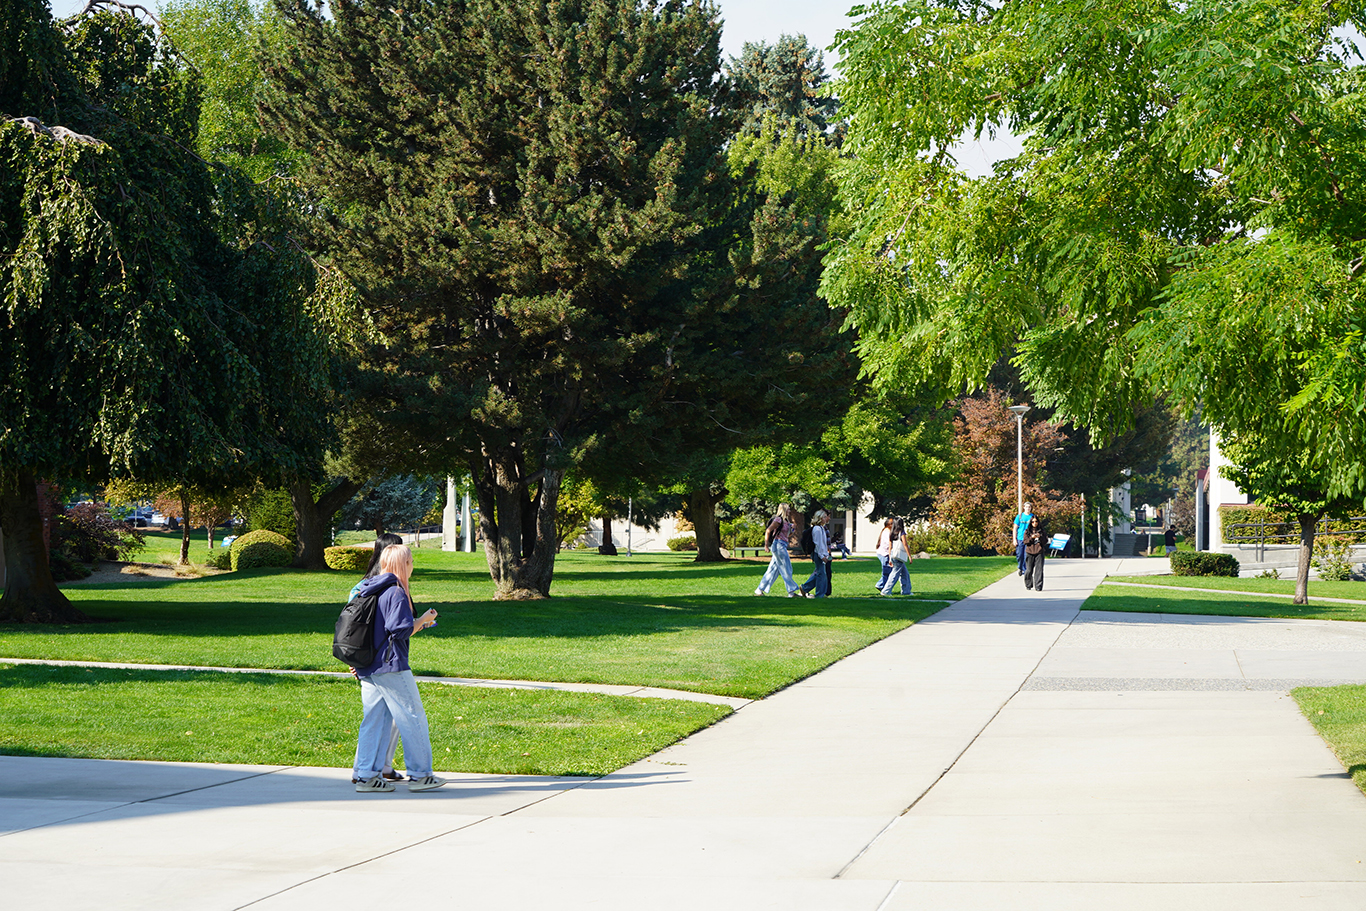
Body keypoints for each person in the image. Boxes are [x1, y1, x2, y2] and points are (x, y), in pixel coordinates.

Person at [351, 544, 446, 792]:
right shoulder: (395, 592)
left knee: (373, 720)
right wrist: (423, 620)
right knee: (413, 717)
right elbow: (400, 630)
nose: (412, 565)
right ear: (402, 564)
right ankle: (421, 775)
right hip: (391, 665)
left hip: (368, 665)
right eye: (410, 560)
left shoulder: (368, 589)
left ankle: (366, 776)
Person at [349, 534, 405, 782]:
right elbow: (356, 626)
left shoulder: (361, 586)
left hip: (366, 659)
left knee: (376, 716)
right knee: (383, 717)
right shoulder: (389, 588)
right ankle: (374, 767)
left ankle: (368, 769)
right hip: (380, 662)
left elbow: (349, 628)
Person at [755, 503, 801, 597]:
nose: (789, 511)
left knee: (773, 569)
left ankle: (759, 590)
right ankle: (791, 591)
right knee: (786, 567)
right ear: (783, 510)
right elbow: (768, 530)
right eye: (788, 509)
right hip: (778, 545)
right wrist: (766, 545)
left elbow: (787, 536)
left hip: (782, 544)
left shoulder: (786, 521)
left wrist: (792, 530)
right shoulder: (778, 520)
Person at [798, 509, 831, 598]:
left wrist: (826, 554)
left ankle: (805, 588)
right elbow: (818, 544)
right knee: (821, 574)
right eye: (824, 517)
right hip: (818, 554)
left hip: (821, 554)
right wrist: (822, 556)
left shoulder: (822, 528)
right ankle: (820, 594)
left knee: (819, 573)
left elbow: (823, 544)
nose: (826, 518)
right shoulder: (817, 529)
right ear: (819, 518)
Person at [879, 518, 912, 596]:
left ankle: (906, 591)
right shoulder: (901, 533)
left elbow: (890, 546)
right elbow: (905, 545)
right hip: (899, 556)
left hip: (893, 554)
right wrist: (909, 556)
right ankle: (885, 591)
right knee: (894, 574)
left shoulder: (891, 533)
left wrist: (890, 558)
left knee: (905, 574)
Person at [1023, 515, 1046, 591]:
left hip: (1039, 552)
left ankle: (1038, 586)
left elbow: (1045, 541)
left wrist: (1040, 537)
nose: (1034, 523)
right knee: (1029, 570)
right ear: (1031, 522)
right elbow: (1025, 541)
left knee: (1039, 570)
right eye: (1033, 522)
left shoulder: (1042, 531)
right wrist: (1031, 538)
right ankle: (1028, 584)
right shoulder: (1027, 531)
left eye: (1036, 521)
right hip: (1030, 552)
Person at [874, 517, 894, 593]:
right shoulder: (887, 532)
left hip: (884, 553)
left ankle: (882, 585)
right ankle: (882, 586)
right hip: (884, 554)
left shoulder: (886, 531)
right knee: (886, 572)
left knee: (889, 571)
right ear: (889, 524)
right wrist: (890, 556)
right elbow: (889, 544)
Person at [1013, 502, 1034, 576]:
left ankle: (1025, 571)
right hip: (1020, 538)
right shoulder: (1019, 516)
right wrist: (1014, 539)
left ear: (1031, 508)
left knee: (1027, 555)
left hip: (1028, 539)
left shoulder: (1032, 517)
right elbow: (1015, 528)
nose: (1028, 508)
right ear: (1024, 507)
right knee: (1019, 555)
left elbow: (1035, 528)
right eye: (1027, 507)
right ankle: (1020, 567)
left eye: (1029, 507)